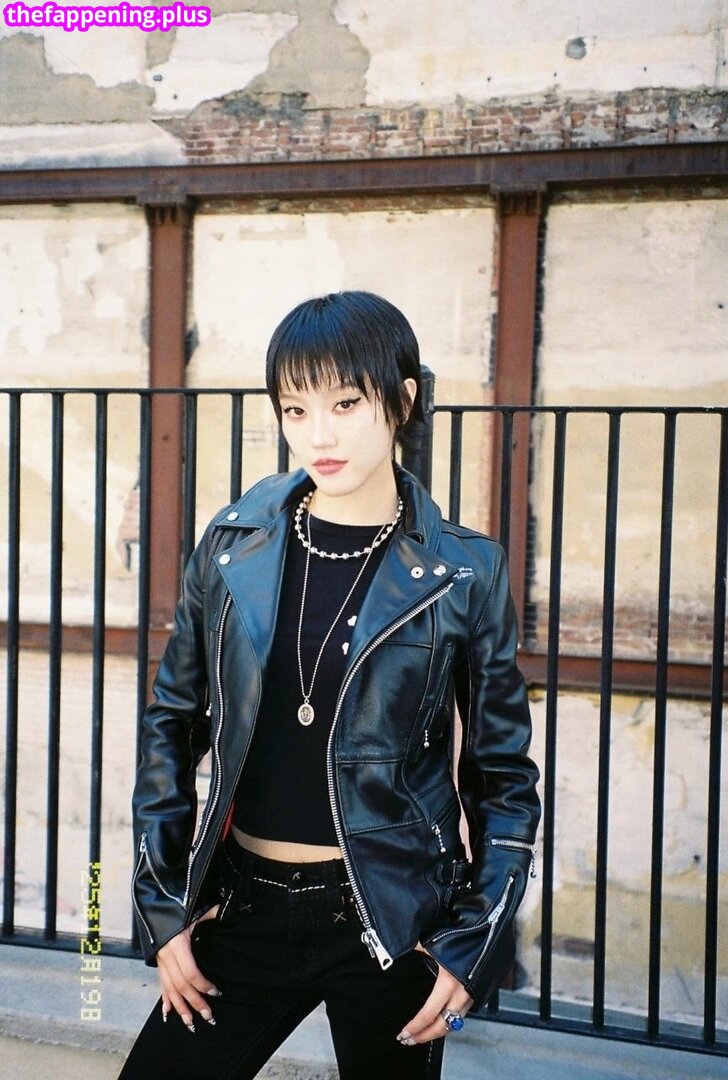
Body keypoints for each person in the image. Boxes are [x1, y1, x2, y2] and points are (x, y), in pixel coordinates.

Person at [120, 291, 540, 1080]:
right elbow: (169, 724)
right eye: (296, 408)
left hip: (392, 920)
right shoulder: (233, 546)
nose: (319, 434)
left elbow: (504, 779)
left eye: (345, 403)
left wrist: (470, 944)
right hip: (244, 905)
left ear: (402, 400)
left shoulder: (463, 571)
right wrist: (163, 907)